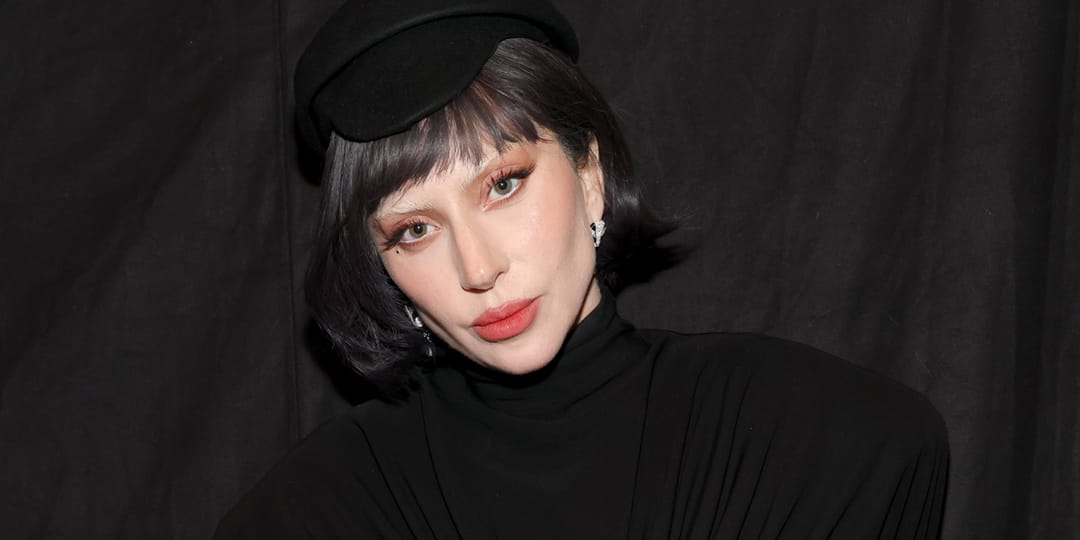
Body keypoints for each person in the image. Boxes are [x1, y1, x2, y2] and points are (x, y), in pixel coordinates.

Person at [215, 0, 949, 537]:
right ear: (381, 265)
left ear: (590, 175)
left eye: (503, 184)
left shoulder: (817, 443)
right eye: (415, 229)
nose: (479, 268)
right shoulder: (316, 515)